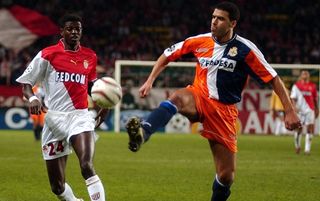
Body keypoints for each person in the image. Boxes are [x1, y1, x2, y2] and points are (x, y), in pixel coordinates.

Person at [125, 2, 301, 201]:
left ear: (232, 23)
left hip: (223, 111)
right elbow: (167, 54)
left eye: (220, 18)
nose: (214, 22)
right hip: (199, 96)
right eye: (213, 17)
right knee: (177, 97)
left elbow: (274, 79)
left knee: (226, 176)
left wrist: (290, 110)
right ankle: (144, 131)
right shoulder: (200, 41)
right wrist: (150, 80)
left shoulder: (245, 49)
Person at [16, 14, 108, 201]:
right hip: (54, 120)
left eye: (78, 29)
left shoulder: (90, 56)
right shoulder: (47, 54)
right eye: (70, 29)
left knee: (86, 166)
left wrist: (105, 104)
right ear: (62, 31)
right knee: (57, 187)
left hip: (80, 116)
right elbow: (26, 83)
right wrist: (32, 98)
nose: (74, 32)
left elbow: (92, 86)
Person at [291, 70, 319, 154]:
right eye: (303, 73)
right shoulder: (296, 86)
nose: (305, 74)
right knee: (299, 128)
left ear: (309, 76)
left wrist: (317, 109)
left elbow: (315, 99)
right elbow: (293, 98)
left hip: (310, 110)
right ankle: (297, 146)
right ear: (301, 76)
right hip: (300, 111)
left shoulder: (313, 86)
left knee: (310, 129)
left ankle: (307, 149)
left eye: (307, 73)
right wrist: (294, 107)